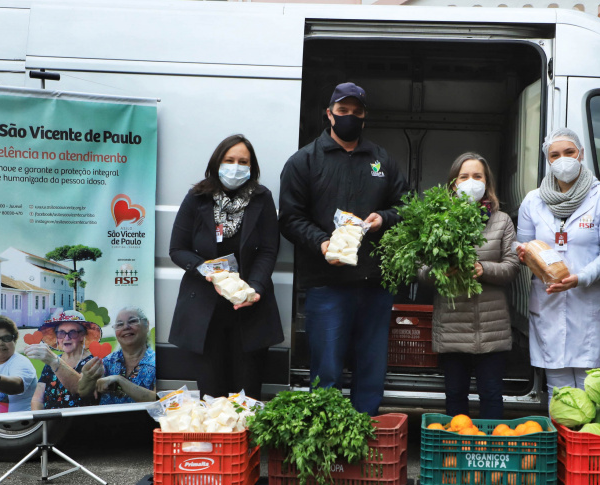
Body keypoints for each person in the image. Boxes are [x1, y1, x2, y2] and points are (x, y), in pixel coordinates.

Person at [278, 82, 410, 416]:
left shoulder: (381, 161)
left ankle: (364, 432)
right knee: (328, 369)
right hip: (327, 284)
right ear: (329, 114)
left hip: (375, 284)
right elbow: (290, 218)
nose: (349, 117)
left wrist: (384, 217)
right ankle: (328, 437)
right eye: (342, 111)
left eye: (356, 112)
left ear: (364, 118)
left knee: (371, 369)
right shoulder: (304, 161)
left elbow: (407, 206)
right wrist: (321, 242)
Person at [169, 134, 283, 399]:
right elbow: (177, 249)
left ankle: (245, 440)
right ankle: (217, 442)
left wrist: (255, 289)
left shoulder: (262, 198)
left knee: (247, 396)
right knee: (211, 395)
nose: (235, 167)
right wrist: (206, 269)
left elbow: (268, 249)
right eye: (229, 160)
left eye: (243, 161)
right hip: (205, 311)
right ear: (216, 162)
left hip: (250, 310)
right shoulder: (197, 198)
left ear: (252, 167)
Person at [516, 128, 600, 401]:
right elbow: (523, 247)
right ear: (547, 160)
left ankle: (585, 445)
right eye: (555, 154)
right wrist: (527, 257)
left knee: (592, 392)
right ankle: (562, 445)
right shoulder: (533, 200)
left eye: (569, 152)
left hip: (589, 304)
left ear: (581, 154)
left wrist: (580, 278)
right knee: (559, 391)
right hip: (548, 303)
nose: (563, 159)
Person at [422, 153, 520, 419]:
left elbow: (512, 267)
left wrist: (484, 269)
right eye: (464, 176)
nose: (471, 182)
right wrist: (442, 271)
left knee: (491, 395)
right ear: (453, 183)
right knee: (455, 396)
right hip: (453, 327)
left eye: (477, 176)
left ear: (487, 182)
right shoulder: (437, 221)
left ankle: (489, 454)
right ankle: (456, 453)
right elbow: (421, 272)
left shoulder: (502, 221)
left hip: (492, 330)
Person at [24, 310, 101, 410]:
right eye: (61, 333)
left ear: (82, 336)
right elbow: (37, 399)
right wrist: (41, 420)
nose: (66, 337)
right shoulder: (50, 363)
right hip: (50, 422)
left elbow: (80, 389)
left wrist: (54, 361)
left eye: (72, 333)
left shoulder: (93, 362)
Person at [78, 307, 156, 404]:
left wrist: (120, 380)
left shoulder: (158, 362)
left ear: (146, 325)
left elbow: (159, 398)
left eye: (132, 321)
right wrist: (87, 377)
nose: (126, 327)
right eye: (119, 324)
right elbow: (82, 391)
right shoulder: (107, 361)